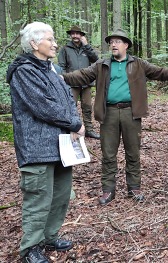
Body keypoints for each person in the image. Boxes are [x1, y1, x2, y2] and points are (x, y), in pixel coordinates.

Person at [62, 29, 168, 205]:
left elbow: (159, 72)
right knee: (108, 154)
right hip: (108, 113)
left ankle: (134, 188)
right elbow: (81, 75)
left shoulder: (138, 64)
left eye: (117, 41)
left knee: (133, 152)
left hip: (131, 113)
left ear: (126, 45)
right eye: (111, 42)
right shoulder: (102, 64)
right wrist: (60, 78)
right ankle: (108, 190)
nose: (113, 45)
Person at [6, 22, 85, 263]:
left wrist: (74, 121)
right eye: (49, 39)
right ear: (33, 43)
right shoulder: (24, 71)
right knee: (38, 198)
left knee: (60, 196)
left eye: (53, 39)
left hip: (60, 145)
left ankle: (49, 237)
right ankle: (30, 248)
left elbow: (67, 100)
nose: (55, 43)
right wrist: (73, 124)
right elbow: (42, 105)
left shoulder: (51, 69)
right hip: (37, 146)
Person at [58, 25, 100, 139]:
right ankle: (71, 129)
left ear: (81, 35)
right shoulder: (65, 49)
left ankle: (89, 130)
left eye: (77, 33)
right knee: (71, 106)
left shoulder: (86, 48)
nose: (75, 35)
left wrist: (86, 45)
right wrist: (64, 79)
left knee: (87, 106)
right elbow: (61, 66)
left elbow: (97, 60)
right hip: (72, 83)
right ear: (71, 35)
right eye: (73, 33)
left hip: (86, 82)